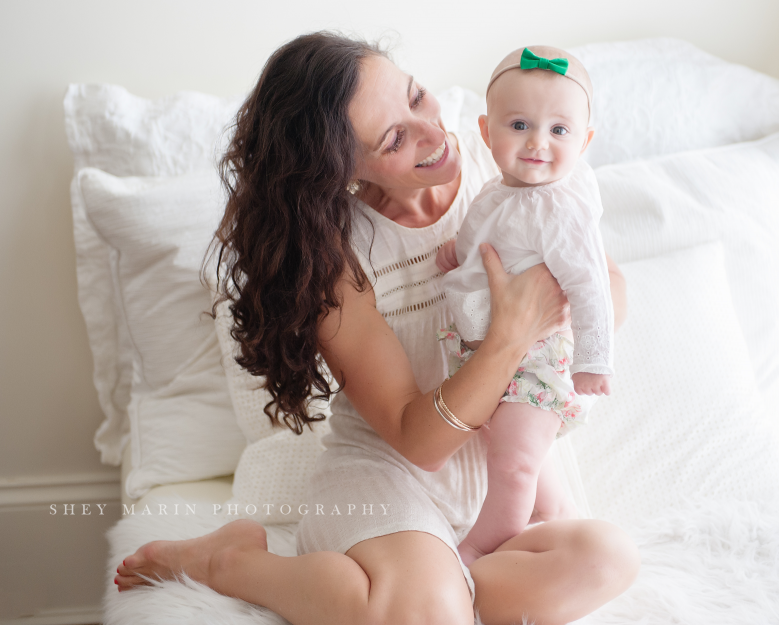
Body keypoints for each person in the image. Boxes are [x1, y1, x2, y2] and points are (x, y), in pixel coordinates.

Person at [114, 32, 638, 625]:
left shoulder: (514, 160)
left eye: (416, 97)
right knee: (426, 614)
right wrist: (511, 335)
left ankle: (424, 590)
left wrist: (563, 317)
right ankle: (233, 564)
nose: (432, 133)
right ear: (341, 167)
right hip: (392, 474)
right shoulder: (334, 258)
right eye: (394, 139)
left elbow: (609, 288)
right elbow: (422, 442)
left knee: (607, 559)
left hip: (508, 466)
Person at [436, 46, 613, 569]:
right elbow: (486, 238)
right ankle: (561, 525)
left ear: (584, 141)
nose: (538, 142)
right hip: (494, 353)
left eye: (559, 131)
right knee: (533, 468)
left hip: (537, 358)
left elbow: (591, 285)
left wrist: (594, 361)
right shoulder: (498, 189)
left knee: (512, 466)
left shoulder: (560, 208)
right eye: (520, 125)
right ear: (487, 133)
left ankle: (478, 550)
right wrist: (457, 257)